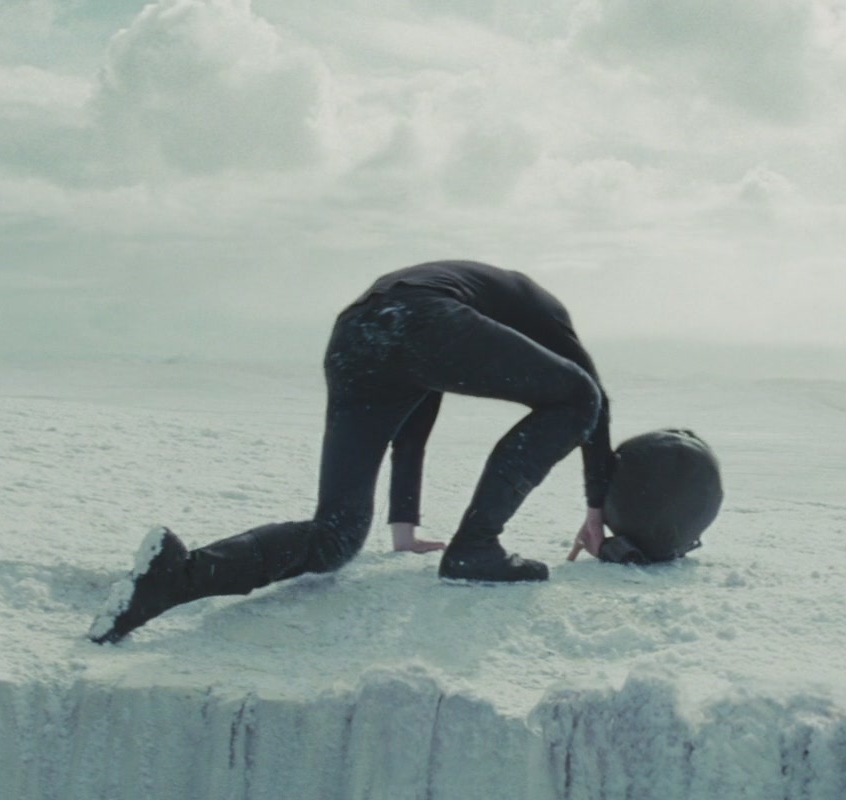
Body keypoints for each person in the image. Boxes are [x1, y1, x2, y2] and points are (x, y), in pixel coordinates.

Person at [90, 260, 615, 644]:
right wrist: (598, 507)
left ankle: (176, 577)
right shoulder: (542, 308)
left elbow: (413, 419)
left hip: (355, 334)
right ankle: (477, 545)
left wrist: (403, 528)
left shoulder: (459, 303)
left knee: (336, 536)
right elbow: (591, 396)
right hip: (418, 318)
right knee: (577, 395)